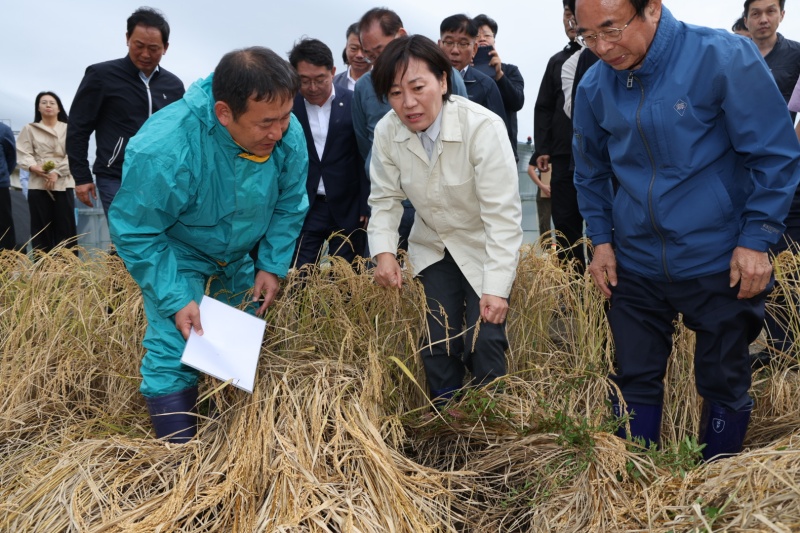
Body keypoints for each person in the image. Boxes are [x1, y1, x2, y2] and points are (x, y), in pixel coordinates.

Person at [572, 0, 800, 461]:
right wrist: (601, 241)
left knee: (724, 376)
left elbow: (775, 155)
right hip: (634, 259)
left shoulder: (723, 56)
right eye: (587, 36)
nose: (601, 47)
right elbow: (590, 173)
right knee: (633, 374)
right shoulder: (595, 83)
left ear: (651, 8)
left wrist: (756, 239)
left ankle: (714, 486)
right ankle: (635, 488)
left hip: (718, 255)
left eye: (611, 30)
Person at [108, 47, 309, 443]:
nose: (279, 132)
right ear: (223, 112)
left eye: (286, 117)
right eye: (267, 123)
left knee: (232, 342)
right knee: (175, 342)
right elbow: (136, 229)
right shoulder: (166, 147)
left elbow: (290, 201)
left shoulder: (283, 130)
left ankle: (227, 448)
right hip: (178, 252)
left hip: (237, 255)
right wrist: (174, 297)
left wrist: (270, 264)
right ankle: (179, 461)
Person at [368, 35, 522, 403]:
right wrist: (384, 253)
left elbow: (503, 217)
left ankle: (490, 427)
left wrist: (497, 288)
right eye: (394, 93)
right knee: (438, 339)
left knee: (485, 339)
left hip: (483, 245)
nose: (408, 103)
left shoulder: (481, 127)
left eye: (417, 87)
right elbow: (385, 199)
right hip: (434, 245)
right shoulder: (388, 131)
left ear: (443, 80)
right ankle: (446, 423)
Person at [353, 7, 468, 252]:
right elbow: (365, 144)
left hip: (440, 200)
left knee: (436, 276)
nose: (378, 61)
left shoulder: (441, 73)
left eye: (381, 51)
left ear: (401, 35)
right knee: (381, 269)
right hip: (391, 199)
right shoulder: (364, 87)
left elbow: (460, 125)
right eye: (370, 56)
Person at [67, 7, 185, 218]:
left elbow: (180, 133)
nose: (145, 54)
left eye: (153, 48)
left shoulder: (174, 86)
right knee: (126, 237)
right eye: (138, 45)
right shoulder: (101, 76)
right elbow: (78, 128)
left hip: (160, 177)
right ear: (127, 38)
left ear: (165, 47)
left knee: (154, 238)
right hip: (115, 175)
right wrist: (82, 177)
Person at [288, 38, 368, 268]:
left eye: (319, 80)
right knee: (299, 275)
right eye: (304, 81)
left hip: (347, 205)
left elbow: (363, 154)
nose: (312, 88)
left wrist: (365, 204)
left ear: (332, 72)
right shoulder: (288, 106)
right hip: (306, 205)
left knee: (345, 279)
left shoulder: (354, 102)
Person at [533, 1, 585, 268]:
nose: (572, 20)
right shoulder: (558, 62)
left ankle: (611, 300)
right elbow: (543, 107)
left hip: (602, 157)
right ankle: (573, 296)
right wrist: (542, 148)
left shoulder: (608, 58)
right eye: (567, 14)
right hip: (564, 156)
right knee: (565, 225)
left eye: (576, 14)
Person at [15, 92, 77, 253]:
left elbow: (75, 154)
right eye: (44, 102)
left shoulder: (69, 128)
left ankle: (69, 270)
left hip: (64, 182)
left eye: (52, 102)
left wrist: (57, 171)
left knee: (66, 228)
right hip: (38, 182)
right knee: (40, 229)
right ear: (38, 107)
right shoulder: (29, 129)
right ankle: (43, 271)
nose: (48, 105)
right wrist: (33, 167)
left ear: (58, 108)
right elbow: (22, 152)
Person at [438, 14, 509, 145]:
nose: (455, 50)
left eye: (463, 44)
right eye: (448, 42)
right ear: (439, 44)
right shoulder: (426, 81)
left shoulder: (486, 85)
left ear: (474, 49)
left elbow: (498, 136)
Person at [473, 14, 526, 161]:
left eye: (487, 35)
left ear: (494, 40)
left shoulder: (510, 71)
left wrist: (499, 74)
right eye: (477, 36)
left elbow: (517, 102)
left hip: (504, 152)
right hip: (472, 152)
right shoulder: (463, 72)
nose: (482, 38)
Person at [744, 0, 800, 119]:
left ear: (781, 15)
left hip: (782, 136)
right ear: (745, 21)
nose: (763, 20)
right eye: (756, 14)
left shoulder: (797, 54)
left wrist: (795, 136)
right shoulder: (731, 57)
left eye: (770, 11)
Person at [333, 23, 371, 92]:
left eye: (365, 50)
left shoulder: (386, 82)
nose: (359, 55)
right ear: (346, 46)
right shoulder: (333, 84)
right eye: (354, 48)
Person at [0, 122, 16, 251]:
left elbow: (11, 158)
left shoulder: (3, 130)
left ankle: (6, 266)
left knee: (4, 228)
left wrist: (3, 174)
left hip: (1, 186)